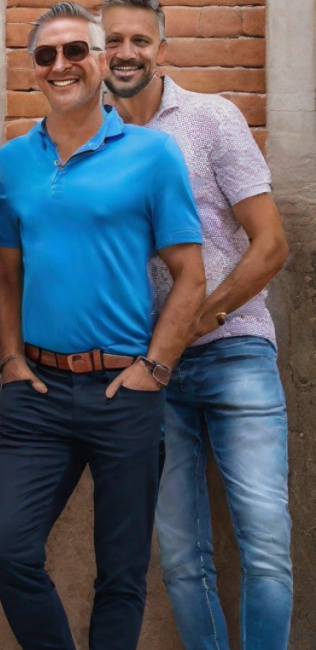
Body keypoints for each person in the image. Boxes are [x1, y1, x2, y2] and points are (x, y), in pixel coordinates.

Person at [0, 3, 207, 648]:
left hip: (124, 394)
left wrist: (155, 367)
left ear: (103, 59)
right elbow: (3, 274)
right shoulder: (13, 163)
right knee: (6, 550)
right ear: (33, 70)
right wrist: (11, 363)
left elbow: (190, 275)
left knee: (123, 574)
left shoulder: (154, 154)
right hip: (38, 394)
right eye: (47, 56)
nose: (62, 65)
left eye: (76, 51)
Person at [101, 1, 293, 647]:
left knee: (265, 543)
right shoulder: (95, 137)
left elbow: (270, 245)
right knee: (182, 561)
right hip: (151, 373)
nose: (125, 51)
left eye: (138, 39)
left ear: (161, 45)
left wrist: (195, 323)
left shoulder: (211, 118)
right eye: (113, 41)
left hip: (236, 353)